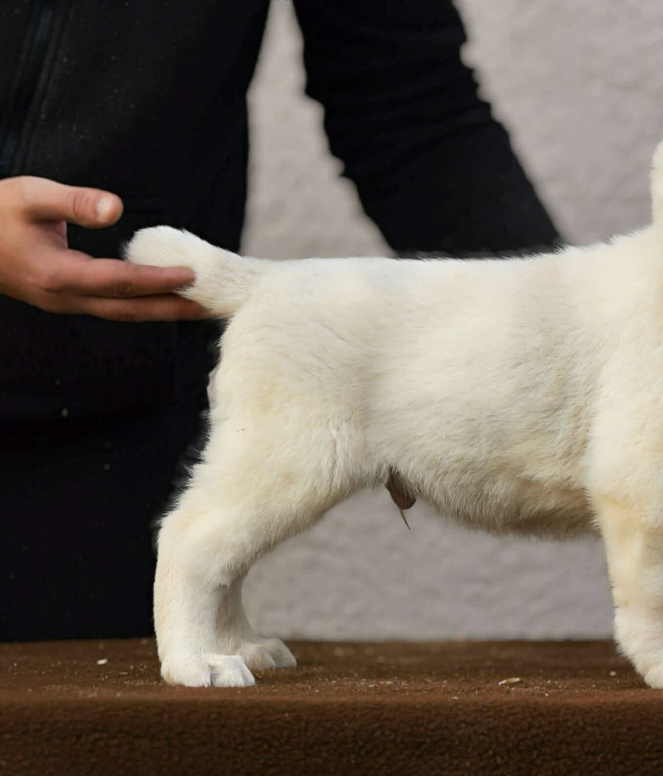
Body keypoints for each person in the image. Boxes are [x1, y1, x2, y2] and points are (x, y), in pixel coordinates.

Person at [0, 1, 560, 642]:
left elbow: (410, 105)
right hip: (99, 382)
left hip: (111, 424)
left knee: (99, 695)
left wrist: (550, 331)